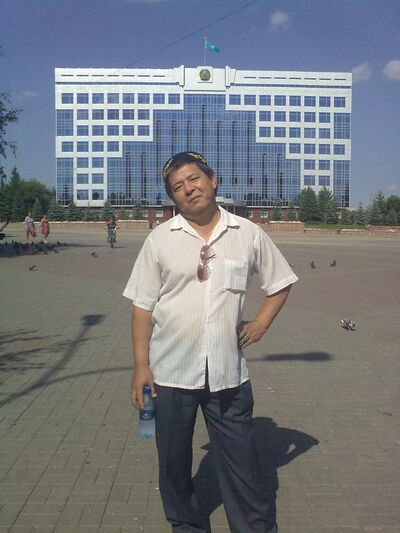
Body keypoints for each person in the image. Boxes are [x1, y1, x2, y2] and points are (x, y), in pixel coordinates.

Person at [123, 152, 298, 533]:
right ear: (173, 197)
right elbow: (142, 307)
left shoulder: (247, 233)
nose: (189, 189)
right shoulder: (160, 239)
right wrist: (141, 366)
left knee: (243, 464)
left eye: (194, 179)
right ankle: (186, 525)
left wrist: (261, 323)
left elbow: (280, 282)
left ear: (213, 179)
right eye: (178, 187)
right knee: (173, 464)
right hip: (170, 374)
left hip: (228, 374)